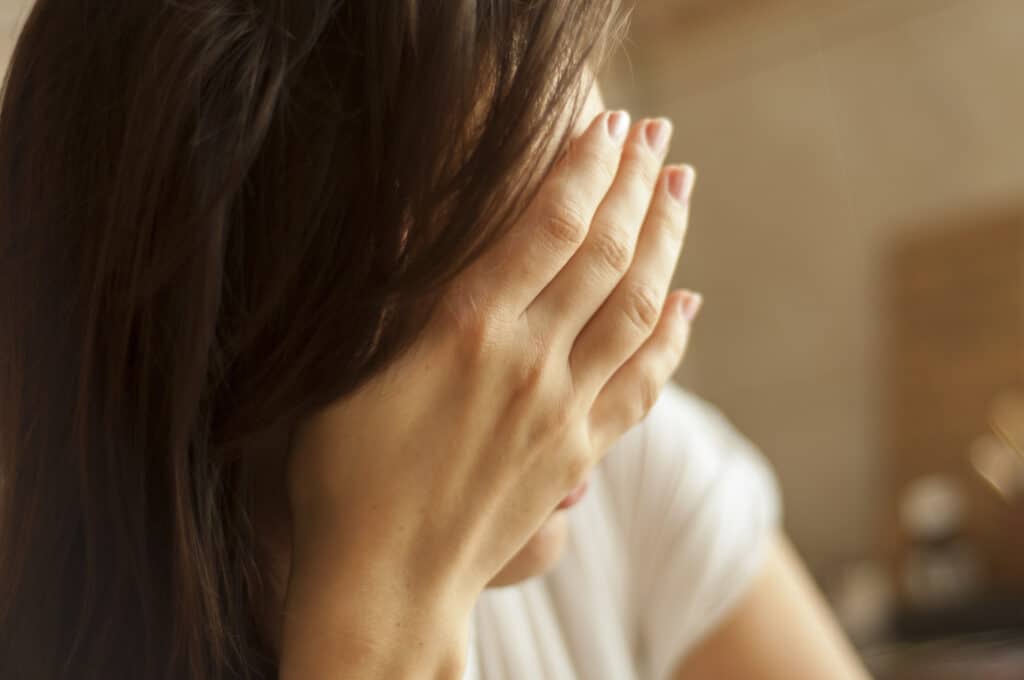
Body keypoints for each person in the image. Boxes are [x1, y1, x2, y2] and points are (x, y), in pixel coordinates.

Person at [0, 1, 869, 678]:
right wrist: (380, 629)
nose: (609, 356)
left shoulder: (625, 471)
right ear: (250, 331)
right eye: (539, 283)